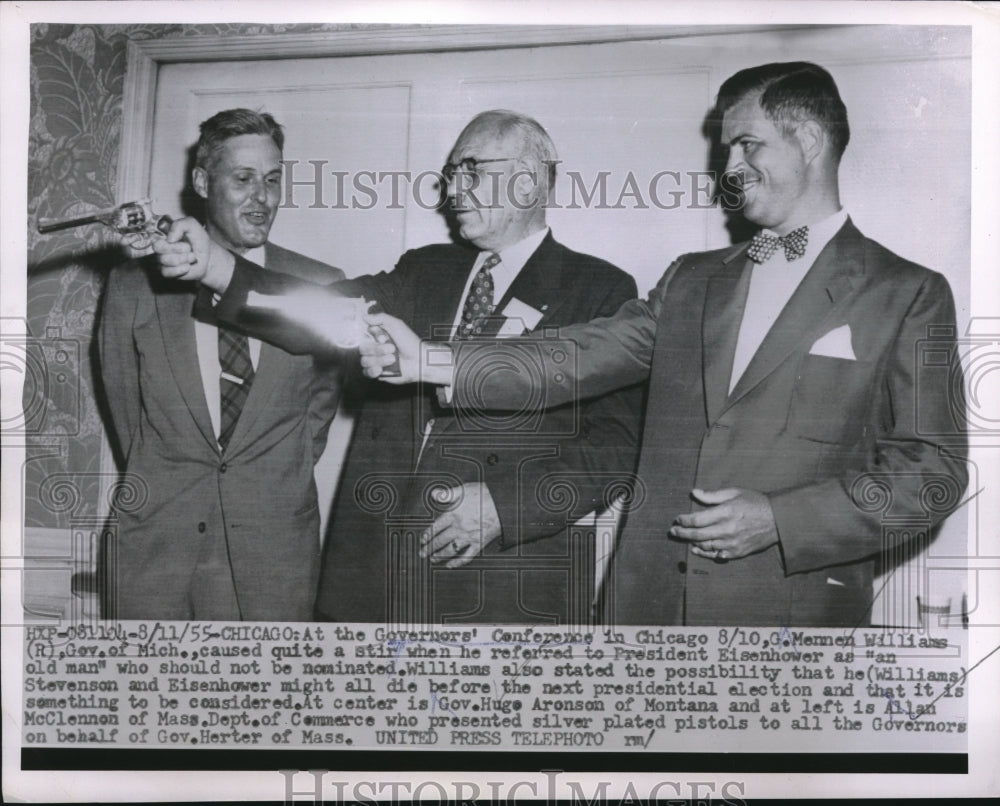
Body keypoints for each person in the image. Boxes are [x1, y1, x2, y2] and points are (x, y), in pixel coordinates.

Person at [360, 64, 969, 627]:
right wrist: (433, 360)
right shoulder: (692, 278)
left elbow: (933, 474)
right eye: (727, 148)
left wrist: (783, 521)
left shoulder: (908, 292)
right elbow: (584, 351)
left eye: (747, 144)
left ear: (808, 140)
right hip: (642, 609)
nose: (728, 166)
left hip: (790, 618)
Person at [154, 110, 643, 625]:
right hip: (369, 577)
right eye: (450, 172)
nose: (452, 188)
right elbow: (319, 307)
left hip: (496, 586)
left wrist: (506, 507)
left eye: (470, 169)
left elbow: (615, 449)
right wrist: (213, 266)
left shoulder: (600, 289)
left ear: (527, 180)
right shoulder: (424, 269)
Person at [99, 108, 344, 620]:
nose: (263, 198)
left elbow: (316, 413)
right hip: (156, 552)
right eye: (243, 179)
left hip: (272, 556)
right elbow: (128, 416)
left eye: (273, 180)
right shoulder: (133, 287)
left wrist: (268, 474)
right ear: (202, 183)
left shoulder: (319, 286)